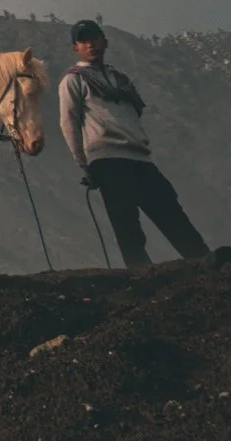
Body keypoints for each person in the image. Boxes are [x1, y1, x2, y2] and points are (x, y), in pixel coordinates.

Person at [58, 19, 208, 265]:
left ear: (104, 42)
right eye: (83, 41)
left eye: (94, 38)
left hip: (139, 157)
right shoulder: (73, 80)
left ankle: (204, 262)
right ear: (76, 48)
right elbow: (69, 123)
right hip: (106, 159)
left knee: (171, 213)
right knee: (127, 225)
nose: (90, 45)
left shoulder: (121, 79)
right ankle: (141, 277)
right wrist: (83, 164)